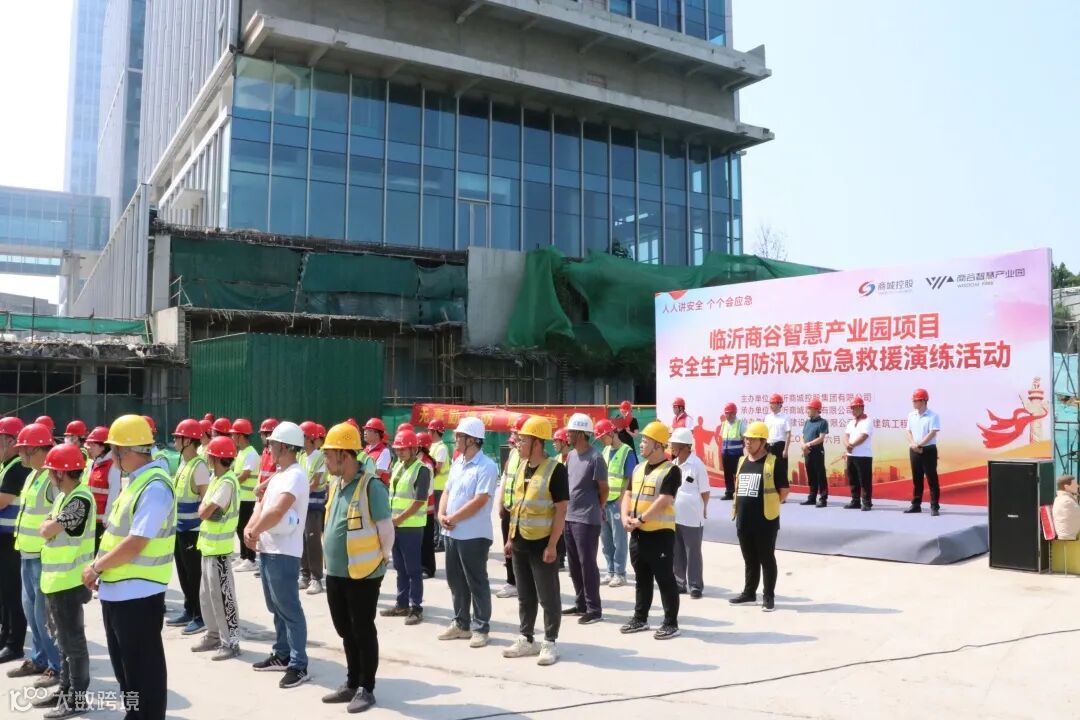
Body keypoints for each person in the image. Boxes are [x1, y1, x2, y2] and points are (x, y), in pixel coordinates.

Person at [82, 414, 176, 720]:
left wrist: (97, 567)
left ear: (129, 450)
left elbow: (137, 542)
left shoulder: (155, 486)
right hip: (120, 589)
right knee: (127, 670)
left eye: (116, 450)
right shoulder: (137, 481)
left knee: (143, 671)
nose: (113, 457)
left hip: (138, 593)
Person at [321, 422, 394, 714]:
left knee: (362, 629)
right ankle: (352, 682)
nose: (325, 461)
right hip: (336, 572)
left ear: (344, 455)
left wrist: (382, 559)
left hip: (363, 573)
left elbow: (386, 530)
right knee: (344, 628)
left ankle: (366, 686)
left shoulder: (371, 487)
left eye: (329, 455)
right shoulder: (336, 484)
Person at [243, 421, 310, 689]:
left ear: (284, 446)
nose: (268, 447)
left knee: (289, 609)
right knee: (276, 607)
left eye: (271, 443)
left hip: (285, 552)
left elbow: (278, 511)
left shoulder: (295, 475)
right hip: (269, 549)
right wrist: (250, 528)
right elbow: (262, 506)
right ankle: (282, 654)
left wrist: (255, 530)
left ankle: (299, 664)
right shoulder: (280, 475)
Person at [502, 417, 567, 667]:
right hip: (520, 541)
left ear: (537, 443)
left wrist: (552, 545)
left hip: (542, 545)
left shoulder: (555, 470)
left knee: (548, 596)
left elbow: (561, 510)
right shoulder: (521, 466)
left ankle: (549, 641)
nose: (518, 444)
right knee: (525, 595)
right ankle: (526, 638)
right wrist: (510, 538)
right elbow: (517, 506)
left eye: (523, 440)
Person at [36, 444, 94, 717]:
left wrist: (48, 526)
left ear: (61, 473)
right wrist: (48, 526)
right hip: (56, 581)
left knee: (73, 643)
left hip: (69, 582)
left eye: (51, 471)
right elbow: (45, 526)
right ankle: (65, 690)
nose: (49, 475)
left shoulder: (79, 499)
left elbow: (48, 528)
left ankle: (77, 698)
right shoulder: (64, 497)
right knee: (62, 642)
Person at [437, 417, 498, 649]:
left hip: (473, 535)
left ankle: (481, 627)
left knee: (476, 582)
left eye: (459, 436)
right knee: (455, 581)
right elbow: (447, 491)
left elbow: (480, 500)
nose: (455, 440)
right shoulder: (457, 463)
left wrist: (453, 518)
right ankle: (461, 624)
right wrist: (441, 514)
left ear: (472, 440)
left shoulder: (487, 466)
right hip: (452, 533)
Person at [11, 423, 61, 687]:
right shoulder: (33, 476)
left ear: (38, 450)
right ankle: (39, 659)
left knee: (44, 617)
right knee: (31, 613)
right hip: (27, 553)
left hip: (43, 555)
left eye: (24, 449)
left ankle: (56, 666)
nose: (20, 453)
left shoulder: (53, 479)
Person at [621, 421, 681, 639]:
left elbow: (665, 500)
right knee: (642, 578)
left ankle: (670, 623)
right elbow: (627, 494)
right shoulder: (638, 469)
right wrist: (625, 518)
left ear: (657, 444)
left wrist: (640, 519)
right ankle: (640, 618)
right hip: (638, 534)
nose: (641, 444)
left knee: (665, 579)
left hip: (660, 534)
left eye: (645, 441)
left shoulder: (671, 470)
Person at [190, 436, 243, 661]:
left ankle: (231, 642)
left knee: (223, 597)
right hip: (208, 547)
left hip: (220, 550)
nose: (207, 458)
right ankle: (213, 635)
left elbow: (204, 511)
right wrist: (207, 510)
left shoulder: (227, 482)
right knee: (207, 596)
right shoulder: (216, 478)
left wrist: (206, 510)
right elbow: (204, 509)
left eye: (210, 455)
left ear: (216, 458)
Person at [728, 421, 790, 612]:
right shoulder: (742, 461)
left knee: (766, 559)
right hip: (743, 520)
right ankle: (749, 593)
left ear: (763, 442)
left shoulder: (773, 462)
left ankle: (768, 596)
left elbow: (784, 491)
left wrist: (770, 505)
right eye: (746, 438)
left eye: (752, 439)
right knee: (750, 559)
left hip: (765, 521)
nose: (748, 442)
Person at [380, 430, 430, 626]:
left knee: (413, 569)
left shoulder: (422, 470)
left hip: (411, 527)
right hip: (396, 525)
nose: (399, 452)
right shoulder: (398, 466)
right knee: (400, 567)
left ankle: (416, 607)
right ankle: (401, 604)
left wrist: (398, 519)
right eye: (397, 449)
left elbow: (419, 501)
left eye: (403, 449)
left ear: (413, 449)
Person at [562, 413, 608, 625]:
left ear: (581, 434)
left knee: (587, 564)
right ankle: (581, 603)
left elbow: (604, 489)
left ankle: (594, 609)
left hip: (587, 519)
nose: (567, 435)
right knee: (573, 564)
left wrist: (597, 507)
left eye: (571, 431)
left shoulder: (595, 458)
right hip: (569, 517)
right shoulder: (571, 456)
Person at [165, 419, 210, 635]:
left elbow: (205, 499)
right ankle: (189, 609)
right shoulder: (184, 462)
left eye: (177, 438)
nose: (174, 441)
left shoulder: (199, 466)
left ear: (188, 441)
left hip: (193, 531)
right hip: (179, 529)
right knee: (183, 573)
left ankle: (200, 616)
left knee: (194, 575)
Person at [0, 416, 29, 667]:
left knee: (13, 593)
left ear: (11, 441)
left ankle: (14, 643)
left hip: (12, 539)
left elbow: (2, 501)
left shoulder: (18, 467)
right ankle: (5, 636)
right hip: (5, 538)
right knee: (5, 593)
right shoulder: (6, 464)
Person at [670, 428, 709, 599]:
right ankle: (679, 583)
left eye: (675, 444)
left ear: (685, 446)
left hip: (692, 517)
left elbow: (705, 491)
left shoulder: (697, 465)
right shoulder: (673, 464)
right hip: (674, 516)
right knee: (676, 551)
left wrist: (703, 508)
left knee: (693, 552)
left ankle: (695, 586)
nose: (672, 446)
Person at [595, 419, 635, 588]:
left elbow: (629, 478)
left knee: (619, 540)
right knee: (606, 540)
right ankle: (610, 571)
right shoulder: (605, 450)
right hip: (604, 502)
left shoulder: (627, 451)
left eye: (603, 437)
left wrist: (622, 501)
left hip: (617, 503)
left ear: (611, 433)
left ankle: (620, 573)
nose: (602, 441)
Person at [495, 416, 528, 599]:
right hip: (509, 508)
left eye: (516, 433)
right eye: (513, 433)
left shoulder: (529, 456)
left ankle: (523, 583)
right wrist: (501, 503)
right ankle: (511, 582)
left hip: (522, 512)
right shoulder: (513, 454)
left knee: (520, 549)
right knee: (508, 548)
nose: (513, 436)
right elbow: (506, 479)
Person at [298, 421, 326, 595]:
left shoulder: (320, 456)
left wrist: (295, 492)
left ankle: (316, 578)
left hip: (314, 507)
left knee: (313, 541)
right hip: (301, 505)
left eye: (302, 437)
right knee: (301, 540)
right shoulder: (301, 456)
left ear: (309, 438)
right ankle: (305, 575)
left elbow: (315, 483)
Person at [230, 419, 261, 574]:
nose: (232, 437)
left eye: (234, 434)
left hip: (248, 499)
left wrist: (228, 484)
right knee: (240, 527)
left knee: (245, 528)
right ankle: (244, 556)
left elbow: (244, 475)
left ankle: (251, 559)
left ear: (240, 436)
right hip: (241, 497)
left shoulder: (251, 453)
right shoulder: (242, 452)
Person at [83, 426, 120, 551]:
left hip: (102, 522)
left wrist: (107, 517)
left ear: (103, 447)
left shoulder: (112, 466)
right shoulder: (95, 463)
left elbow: (114, 493)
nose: (89, 447)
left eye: (93, 444)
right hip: (91, 519)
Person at [905, 389, 942, 516]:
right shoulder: (911, 415)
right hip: (914, 449)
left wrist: (920, 444)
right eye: (913, 400)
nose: (913, 403)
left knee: (932, 478)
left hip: (928, 450)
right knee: (917, 478)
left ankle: (934, 506)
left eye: (916, 400)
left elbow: (932, 433)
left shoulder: (933, 416)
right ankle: (916, 504)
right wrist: (913, 444)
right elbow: (908, 431)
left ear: (923, 401)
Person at [842, 398, 874, 511]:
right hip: (851, 455)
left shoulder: (868, 421)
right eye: (852, 408)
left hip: (863, 456)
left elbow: (863, 436)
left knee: (865, 480)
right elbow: (846, 436)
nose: (853, 410)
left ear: (861, 407)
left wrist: (851, 445)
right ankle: (855, 501)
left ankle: (867, 502)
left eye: (855, 408)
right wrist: (847, 445)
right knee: (853, 479)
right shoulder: (851, 422)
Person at [800, 399, 829, 508]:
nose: (807, 410)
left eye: (809, 408)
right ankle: (812, 497)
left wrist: (808, 445)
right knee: (810, 474)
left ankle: (823, 498)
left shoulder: (823, 422)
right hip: (807, 452)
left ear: (816, 409)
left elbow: (821, 438)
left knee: (820, 475)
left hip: (817, 452)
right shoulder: (807, 422)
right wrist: (803, 446)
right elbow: (802, 437)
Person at [416, 432, 438, 578]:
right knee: (420, 540)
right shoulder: (418, 461)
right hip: (419, 509)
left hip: (425, 509)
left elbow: (427, 490)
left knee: (426, 541)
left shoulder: (427, 464)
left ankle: (428, 568)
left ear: (421, 447)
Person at [427, 419, 450, 553]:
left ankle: (441, 541)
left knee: (438, 515)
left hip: (439, 487)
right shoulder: (433, 446)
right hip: (434, 486)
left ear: (435, 431)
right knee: (434, 515)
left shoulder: (441, 448)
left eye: (429, 430)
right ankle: (436, 540)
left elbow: (438, 468)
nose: (428, 432)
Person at [717, 403, 745, 501]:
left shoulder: (740, 424)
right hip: (726, 454)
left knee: (738, 474)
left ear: (735, 413)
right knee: (727, 474)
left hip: (737, 454)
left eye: (730, 413)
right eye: (726, 413)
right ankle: (729, 492)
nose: (728, 415)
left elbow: (745, 438)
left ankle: (740, 493)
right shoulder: (724, 424)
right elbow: (722, 438)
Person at [764, 394, 792, 490]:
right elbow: (765, 433)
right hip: (768, 446)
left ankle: (782, 492)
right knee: (769, 469)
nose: (771, 405)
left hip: (780, 446)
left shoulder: (785, 417)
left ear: (780, 404)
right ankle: (771, 490)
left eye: (773, 403)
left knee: (781, 470)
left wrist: (786, 450)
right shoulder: (767, 417)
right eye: (770, 403)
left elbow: (788, 434)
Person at [362, 419, 392, 486]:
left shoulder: (384, 451)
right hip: (363, 486)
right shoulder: (365, 450)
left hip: (376, 488)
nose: (365, 432)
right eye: (365, 430)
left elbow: (377, 473)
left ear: (377, 434)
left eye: (369, 430)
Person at [1052, 476, 1080, 540]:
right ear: (1066, 487)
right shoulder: (1067, 501)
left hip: (1069, 536)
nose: (1078, 486)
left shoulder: (1060, 499)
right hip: (1069, 538)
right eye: (1075, 484)